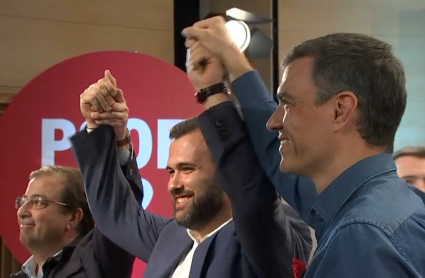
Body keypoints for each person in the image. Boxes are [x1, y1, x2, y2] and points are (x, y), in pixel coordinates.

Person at [182, 16, 425, 277]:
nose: (273, 122)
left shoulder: (360, 237)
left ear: (340, 110)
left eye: (288, 104)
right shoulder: (394, 203)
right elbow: (272, 157)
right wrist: (224, 74)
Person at [69, 71, 312, 278]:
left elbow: (252, 197)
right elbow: (115, 214)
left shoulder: (269, 232)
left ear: (229, 169)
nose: (174, 184)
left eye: (187, 169)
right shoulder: (172, 235)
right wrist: (107, 129)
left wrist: (213, 90)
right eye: (171, 171)